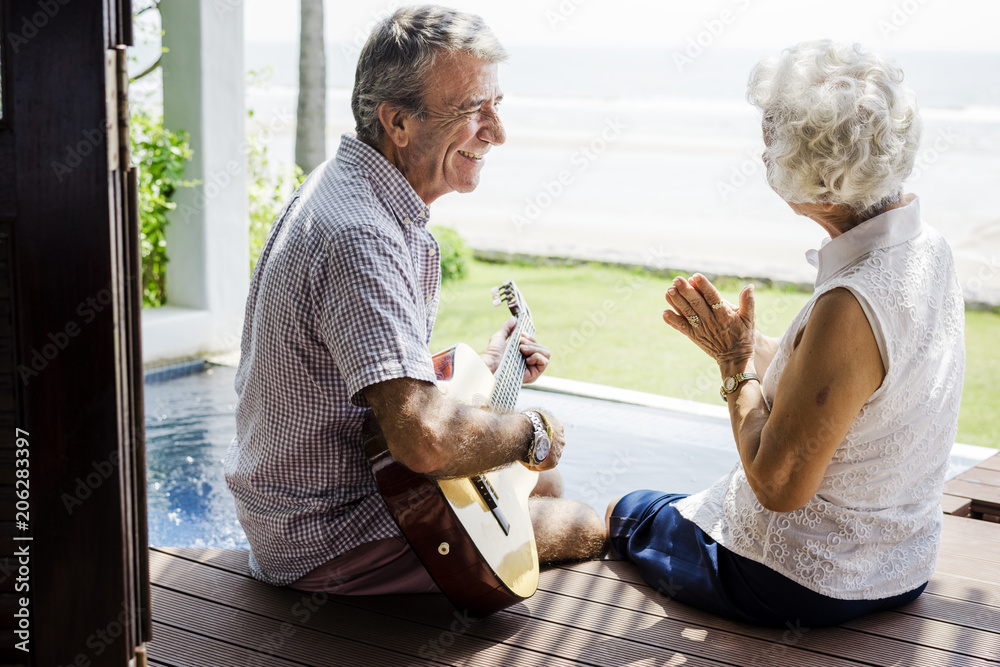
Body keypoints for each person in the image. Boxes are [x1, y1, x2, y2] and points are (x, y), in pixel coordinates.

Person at [225, 5, 606, 596]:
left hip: (307, 509)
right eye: (472, 110)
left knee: (538, 487)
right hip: (328, 533)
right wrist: (534, 428)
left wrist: (487, 367)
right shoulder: (362, 236)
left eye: (496, 105)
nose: (497, 131)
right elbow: (422, 440)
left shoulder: (351, 187)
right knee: (593, 525)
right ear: (397, 123)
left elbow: (371, 377)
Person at [607, 41, 965, 628]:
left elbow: (778, 486)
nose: (763, 150)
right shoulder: (929, 248)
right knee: (683, 502)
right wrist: (748, 343)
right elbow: (860, 383)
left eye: (772, 138)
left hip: (800, 582)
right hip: (899, 568)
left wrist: (734, 366)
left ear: (819, 173)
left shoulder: (851, 302)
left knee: (629, 511)